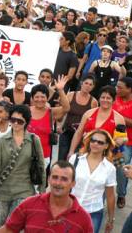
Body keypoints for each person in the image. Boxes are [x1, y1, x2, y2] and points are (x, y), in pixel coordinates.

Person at [0, 104, 46, 230]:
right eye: (13, 120)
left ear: (26, 122)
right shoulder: (2, 141)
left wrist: (42, 193)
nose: (16, 123)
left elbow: (41, 167)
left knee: (13, 228)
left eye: (20, 121)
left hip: (24, 191)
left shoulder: (34, 140)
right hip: (1, 191)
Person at [0, 160, 93, 233]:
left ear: (73, 184)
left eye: (64, 179)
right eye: (55, 177)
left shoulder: (83, 219)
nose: (58, 183)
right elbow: (8, 229)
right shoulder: (29, 204)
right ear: (48, 179)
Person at [69, 129, 116, 233]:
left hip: (93, 213)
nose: (95, 144)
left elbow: (110, 196)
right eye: (93, 140)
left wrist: (111, 219)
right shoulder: (75, 159)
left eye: (100, 142)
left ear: (106, 146)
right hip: (69, 209)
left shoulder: (110, 168)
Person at [68, 85, 126, 159]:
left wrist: (119, 142)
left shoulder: (119, 118)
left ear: (113, 100)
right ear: (99, 99)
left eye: (108, 98)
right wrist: (71, 151)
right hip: (85, 152)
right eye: (103, 97)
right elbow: (79, 132)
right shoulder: (88, 113)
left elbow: (122, 139)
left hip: (106, 156)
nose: (105, 100)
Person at [59, 75, 98, 160]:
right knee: (62, 157)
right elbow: (63, 110)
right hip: (67, 131)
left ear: (93, 87)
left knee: (75, 159)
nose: (87, 86)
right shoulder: (71, 95)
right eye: (86, 83)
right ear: (81, 83)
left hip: (81, 134)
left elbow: (92, 120)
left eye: (90, 85)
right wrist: (59, 125)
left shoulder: (93, 102)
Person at [113, 77, 132, 209]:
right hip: (117, 141)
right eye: (117, 86)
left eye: (120, 87)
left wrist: (116, 116)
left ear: (129, 89)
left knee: (123, 169)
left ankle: (121, 194)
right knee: (117, 168)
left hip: (129, 141)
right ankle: (119, 194)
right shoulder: (114, 98)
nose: (117, 89)